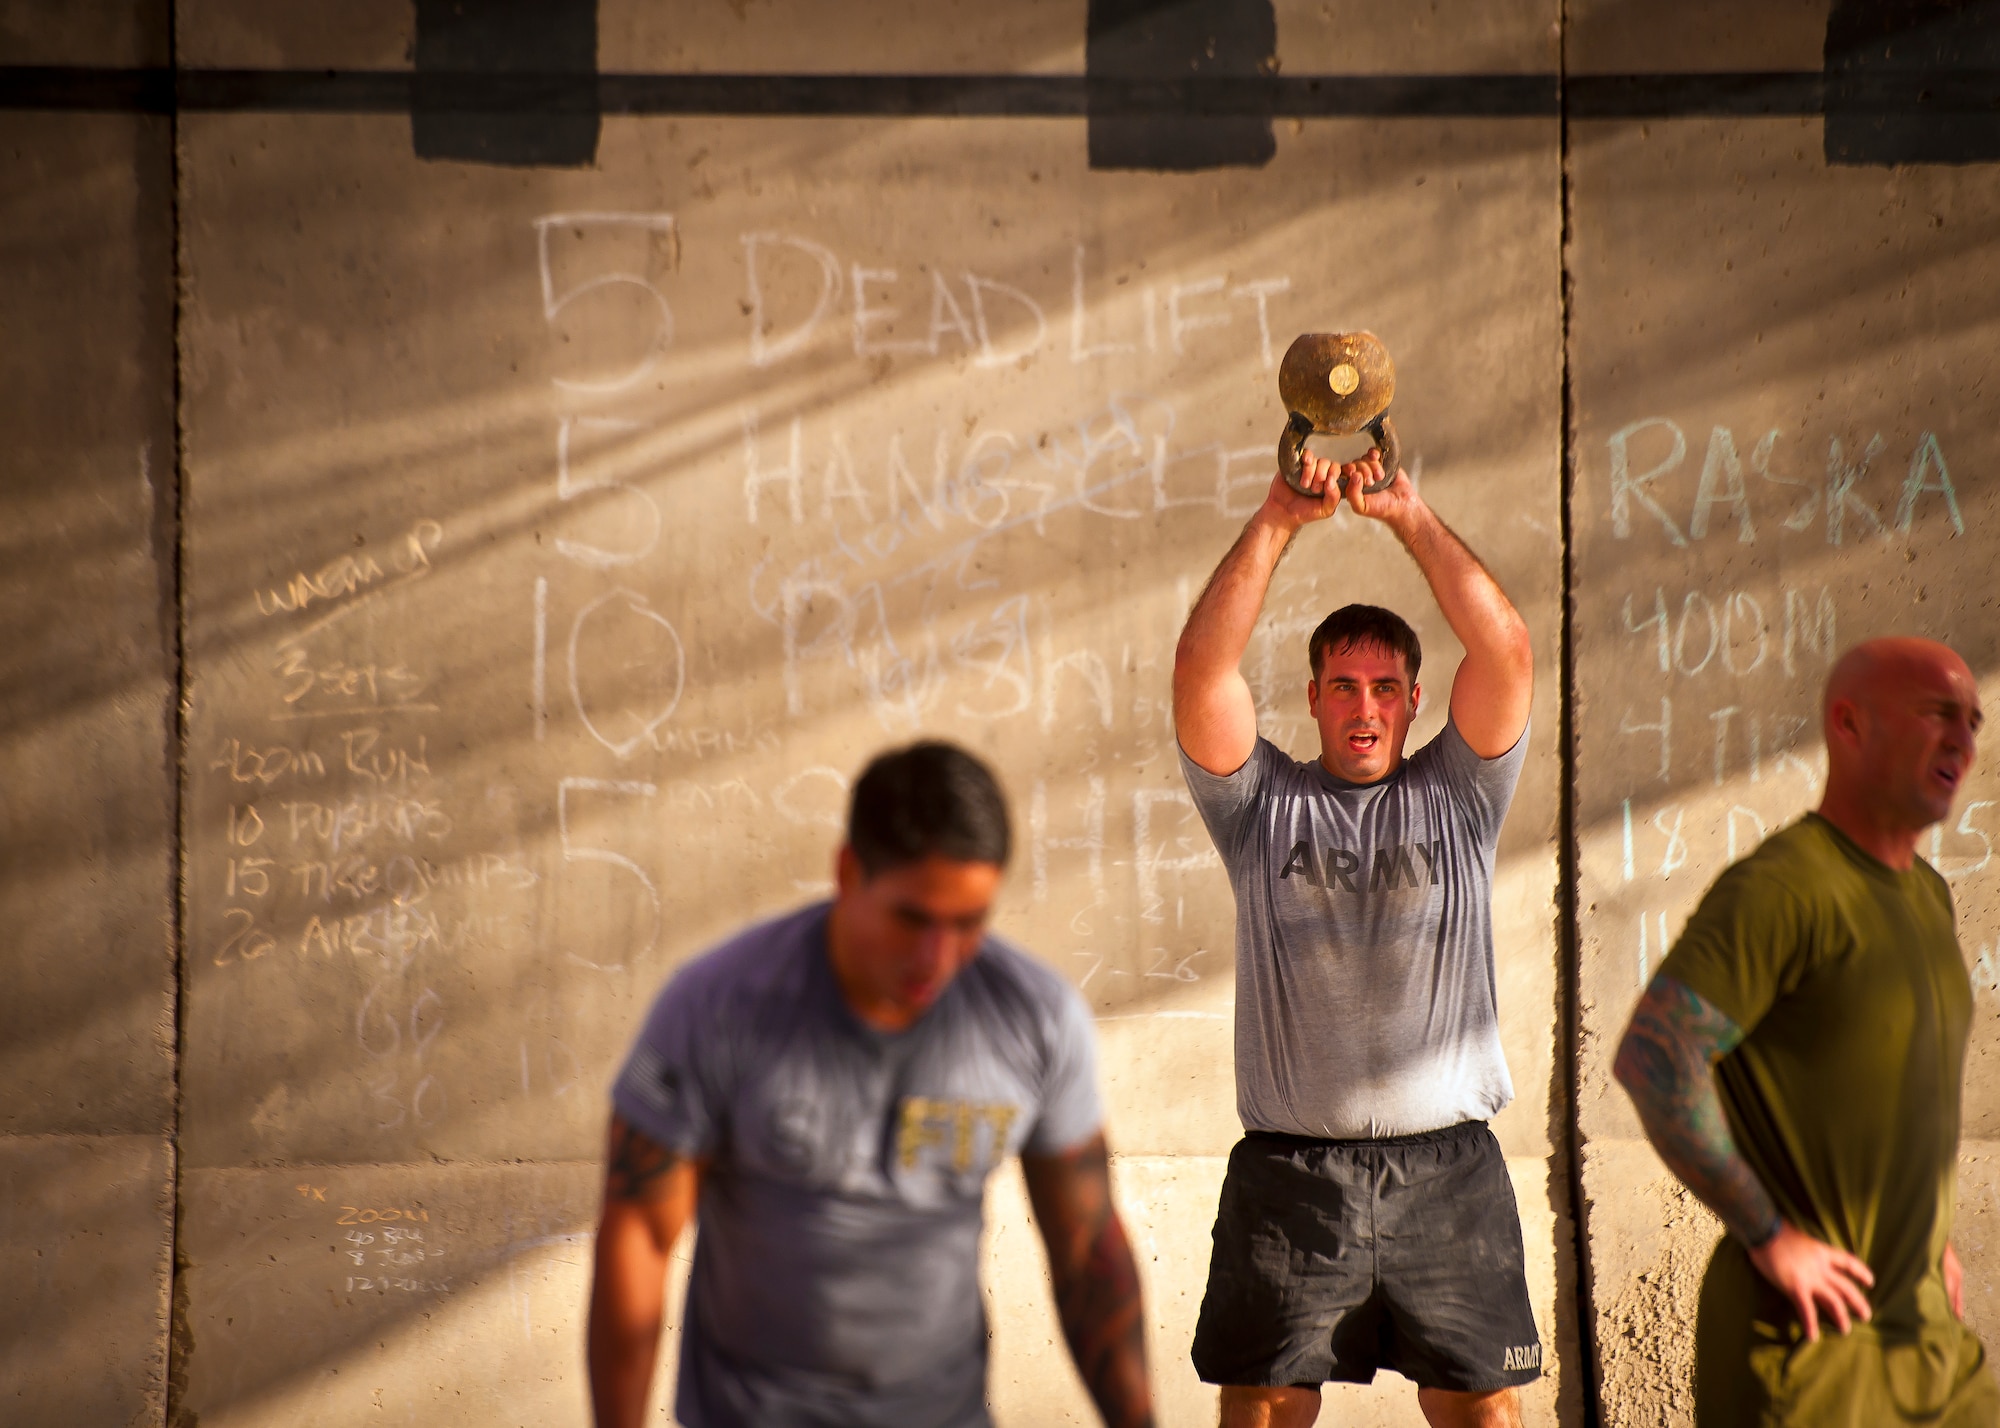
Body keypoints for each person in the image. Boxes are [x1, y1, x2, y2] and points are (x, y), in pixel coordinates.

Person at [585, 740, 1155, 1428]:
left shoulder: (1034, 1018)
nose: (935, 958)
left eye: (968, 923)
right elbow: (640, 1236)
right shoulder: (719, 1006)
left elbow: (1088, 1251)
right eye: (911, 918)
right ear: (848, 871)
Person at [1171, 445, 1539, 1428]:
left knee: (1485, 1413)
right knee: (1259, 1410)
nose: (1364, 706)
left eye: (1384, 687)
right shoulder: (1258, 810)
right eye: (1342, 685)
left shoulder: (1459, 797)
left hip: (1448, 1174)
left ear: (1415, 700)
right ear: (1313, 698)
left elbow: (1504, 652)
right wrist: (1277, 521)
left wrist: (1407, 516)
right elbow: (1199, 671)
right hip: (1293, 1177)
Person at [1613, 637, 1997, 1426]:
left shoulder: (1927, 894)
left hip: (1927, 1342)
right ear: (1848, 725)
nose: (1962, 737)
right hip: (1810, 1357)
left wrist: (1929, 1243)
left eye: (1973, 719)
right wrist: (1769, 1234)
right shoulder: (1782, 888)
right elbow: (1654, 1058)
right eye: (1936, 715)